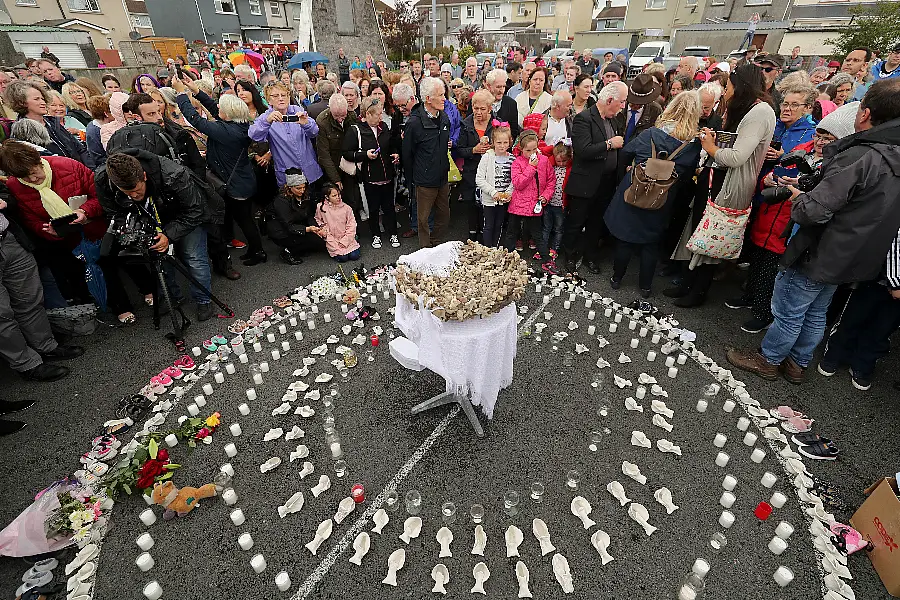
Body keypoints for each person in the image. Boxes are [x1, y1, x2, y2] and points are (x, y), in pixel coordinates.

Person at [727, 79, 900, 385]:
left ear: (865, 113)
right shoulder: (892, 156)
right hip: (851, 257)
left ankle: (769, 359)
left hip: (820, 250)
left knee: (789, 310)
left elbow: (814, 210)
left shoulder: (860, 156)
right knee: (816, 312)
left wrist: (797, 196)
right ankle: (798, 362)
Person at [1, 139, 150, 325]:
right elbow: (29, 219)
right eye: (24, 177)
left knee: (126, 259)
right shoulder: (15, 186)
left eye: (33, 172)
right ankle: (121, 307)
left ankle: (148, 290)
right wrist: (46, 230)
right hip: (70, 239)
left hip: (98, 226)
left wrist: (85, 211)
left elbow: (100, 195)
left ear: (38, 161)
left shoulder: (67, 165)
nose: (32, 179)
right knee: (101, 270)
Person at [727, 84, 818, 332]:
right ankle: (750, 295)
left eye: (794, 104)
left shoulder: (811, 136)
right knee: (756, 250)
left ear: (808, 108)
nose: (787, 108)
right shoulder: (776, 126)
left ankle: (763, 311)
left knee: (771, 259)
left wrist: (779, 160)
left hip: (785, 207)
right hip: (763, 199)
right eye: (785, 103)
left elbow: (806, 170)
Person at [97, 151, 218, 321]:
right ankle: (172, 297)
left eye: (137, 191)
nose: (134, 197)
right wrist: (133, 228)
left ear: (144, 176)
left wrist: (168, 234)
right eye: (127, 193)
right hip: (148, 216)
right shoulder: (103, 180)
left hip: (181, 213)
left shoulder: (173, 174)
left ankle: (203, 300)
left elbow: (196, 210)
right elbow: (112, 213)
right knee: (159, 258)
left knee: (194, 258)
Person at [604, 91, 702, 298]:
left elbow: (625, 154)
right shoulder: (692, 145)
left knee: (625, 238)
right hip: (663, 198)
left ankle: (617, 278)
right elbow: (686, 176)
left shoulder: (651, 134)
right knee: (651, 243)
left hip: (635, 191)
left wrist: (629, 173)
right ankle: (646, 287)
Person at [172, 75, 265, 267]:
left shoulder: (226, 131)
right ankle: (255, 249)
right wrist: (196, 91)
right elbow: (216, 109)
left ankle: (258, 251)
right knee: (244, 218)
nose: (218, 109)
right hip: (243, 180)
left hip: (237, 185)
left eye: (222, 108)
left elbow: (195, 119)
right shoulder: (237, 123)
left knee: (245, 220)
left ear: (229, 113)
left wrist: (181, 94)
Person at [0, 189, 81, 389]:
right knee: (2, 315)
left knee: (30, 299)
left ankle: (46, 346)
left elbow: (7, 194)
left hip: (8, 240)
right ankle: (26, 364)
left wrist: (4, 201)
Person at [562, 81, 627, 275]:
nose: (623, 106)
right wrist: (609, 144)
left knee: (596, 222)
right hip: (585, 182)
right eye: (621, 101)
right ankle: (570, 256)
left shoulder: (614, 119)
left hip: (606, 182)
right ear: (609, 100)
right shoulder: (584, 119)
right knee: (576, 222)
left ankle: (590, 256)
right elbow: (583, 150)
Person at [343, 95, 401, 250]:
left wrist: (395, 154)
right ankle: (376, 235)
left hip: (387, 176)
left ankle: (393, 233)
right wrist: (365, 155)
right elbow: (347, 153)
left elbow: (391, 145)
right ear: (367, 114)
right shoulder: (355, 130)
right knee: (373, 209)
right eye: (378, 114)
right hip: (369, 178)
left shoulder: (384, 127)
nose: (381, 117)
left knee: (389, 207)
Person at [402, 77, 451, 248]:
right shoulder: (414, 123)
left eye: (444, 94)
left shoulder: (444, 118)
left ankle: (434, 242)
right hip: (424, 181)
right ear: (428, 99)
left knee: (444, 216)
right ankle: (425, 251)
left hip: (442, 179)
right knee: (423, 220)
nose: (444, 98)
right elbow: (407, 155)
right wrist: (413, 180)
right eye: (440, 95)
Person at [250, 82, 323, 193]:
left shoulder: (297, 110)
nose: (281, 99)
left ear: (288, 97)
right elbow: (254, 135)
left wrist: (306, 123)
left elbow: (314, 132)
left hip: (310, 171)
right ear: (268, 100)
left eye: (284, 95)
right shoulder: (266, 117)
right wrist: (267, 122)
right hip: (288, 176)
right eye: (275, 96)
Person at [5, 80, 92, 166]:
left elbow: (79, 148)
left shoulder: (53, 122)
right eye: (37, 99)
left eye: (42, 98)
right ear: (22, 102)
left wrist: (90, 171)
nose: (42, 102)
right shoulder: (22, 132)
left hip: (81, 173)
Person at [504, 130, 554, 258]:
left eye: (534, 149)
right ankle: (507, 257)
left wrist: (546, 196)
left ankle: (546, 259)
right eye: (528, 151)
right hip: (518, 204)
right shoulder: (517, 163)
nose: (532, 153)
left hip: (534, 204)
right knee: (512, 232)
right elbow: (518, 183)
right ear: (521, 149)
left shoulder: (544, 160)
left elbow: (551, 180)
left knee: (537, 234)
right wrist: (531, 167)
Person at [266, 169, 327, 264]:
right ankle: (287, 251)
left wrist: (317, 228)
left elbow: (309, 215)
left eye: (303, 187)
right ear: (289, 187)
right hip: (281, 229)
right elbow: (288, 225)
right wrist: (308, 229)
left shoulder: (305, 195)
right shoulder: (281, 201)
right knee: (309, 240)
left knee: (318, 239)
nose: (302, 191)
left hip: (298, 223)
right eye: (298, 188)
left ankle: (301, 247)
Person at [457, 90, 495, 240]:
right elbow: (459, 149)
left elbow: (506, 145)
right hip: (471, 170)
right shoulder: (466, 124)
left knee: (487, 204)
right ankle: (472, 232)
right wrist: (474, 150)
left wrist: (494, 148)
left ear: (490, 108)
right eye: (475, 108)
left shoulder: (496, 123)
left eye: (482, 109)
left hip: (490, 171)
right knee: (471, 203)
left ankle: (485, 233)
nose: (478, 112)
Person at [316, 93, 361, 218]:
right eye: (337, 116)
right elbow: (324, 155)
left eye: (343, 116)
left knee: (351, 198)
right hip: (333, 165)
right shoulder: (322, 121)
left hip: (349, 164)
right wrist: (336, 179)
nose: (341, 119)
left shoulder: (351, 115)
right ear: (330, 109)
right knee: (335, 199)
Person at [475, 124, 513, 248]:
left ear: (509, 142)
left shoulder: (512, 159)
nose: (502, 146)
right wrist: (493, 192)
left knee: (499, 225)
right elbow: (479, 179)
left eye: (505, 142)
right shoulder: (487, 157)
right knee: (489, 225)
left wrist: (509, 193)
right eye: (499, 142)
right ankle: (487, 250)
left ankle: (495, 249)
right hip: (489, 200)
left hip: (503, 200)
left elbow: (514, 180)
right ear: (493, 142)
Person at [540, 141, 572, 274]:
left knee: (558, 229)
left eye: (564, 161)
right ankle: (542, 249)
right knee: (546, 227)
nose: (561, 163)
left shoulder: (570, 167)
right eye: (559, 161)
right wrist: (556, 146)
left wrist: (566, 146)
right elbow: (543, 150)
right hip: (548, 202)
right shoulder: (550, 164)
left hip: (561, 205)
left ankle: (554, 249)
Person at [315, 183, 360, 262]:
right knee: (343, 258)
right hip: (332, 238)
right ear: (327, 197)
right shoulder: (321, 207)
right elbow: (318, 219)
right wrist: (324, 231)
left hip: (346, 236)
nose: (338, 197)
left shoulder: (347, 208)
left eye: (338, 194)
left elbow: (352, 224)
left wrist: (346, 240)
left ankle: (354, 238)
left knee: (354, 256)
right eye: (334, 196)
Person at [620, 74, 663, 146]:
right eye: (633, 101)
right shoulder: (618, 107)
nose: (636, 105)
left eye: (641, 103)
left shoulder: (655, 110)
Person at [483, 68, 520, 139]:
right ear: (488, 86)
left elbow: (514, 131)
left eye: (503, 86)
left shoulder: (511, 104)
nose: (502, 90)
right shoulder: (479, 102)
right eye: (498, 87)